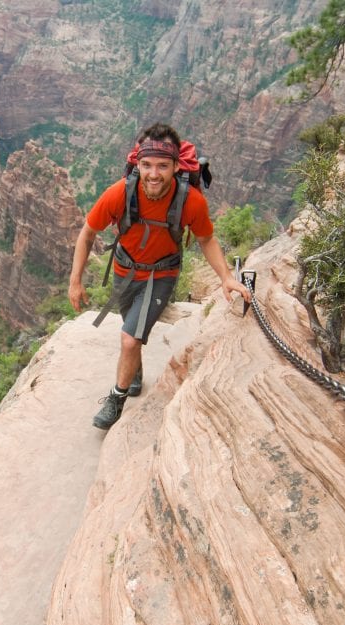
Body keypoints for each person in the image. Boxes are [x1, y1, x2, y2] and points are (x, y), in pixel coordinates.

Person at [68, 122, 251, 430]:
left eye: (163, 166)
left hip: (161, 275)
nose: (154, 174)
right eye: (147, 165)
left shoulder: (190, 201)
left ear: (176, 166)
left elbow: (206, 239)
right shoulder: (119, 193)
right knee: (132, 330)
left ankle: (116, 398)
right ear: (138, 164)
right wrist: (75, 281)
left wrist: (225, 277)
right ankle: (134, 374)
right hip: (124, 271)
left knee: (129, 339)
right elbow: (88, 233)